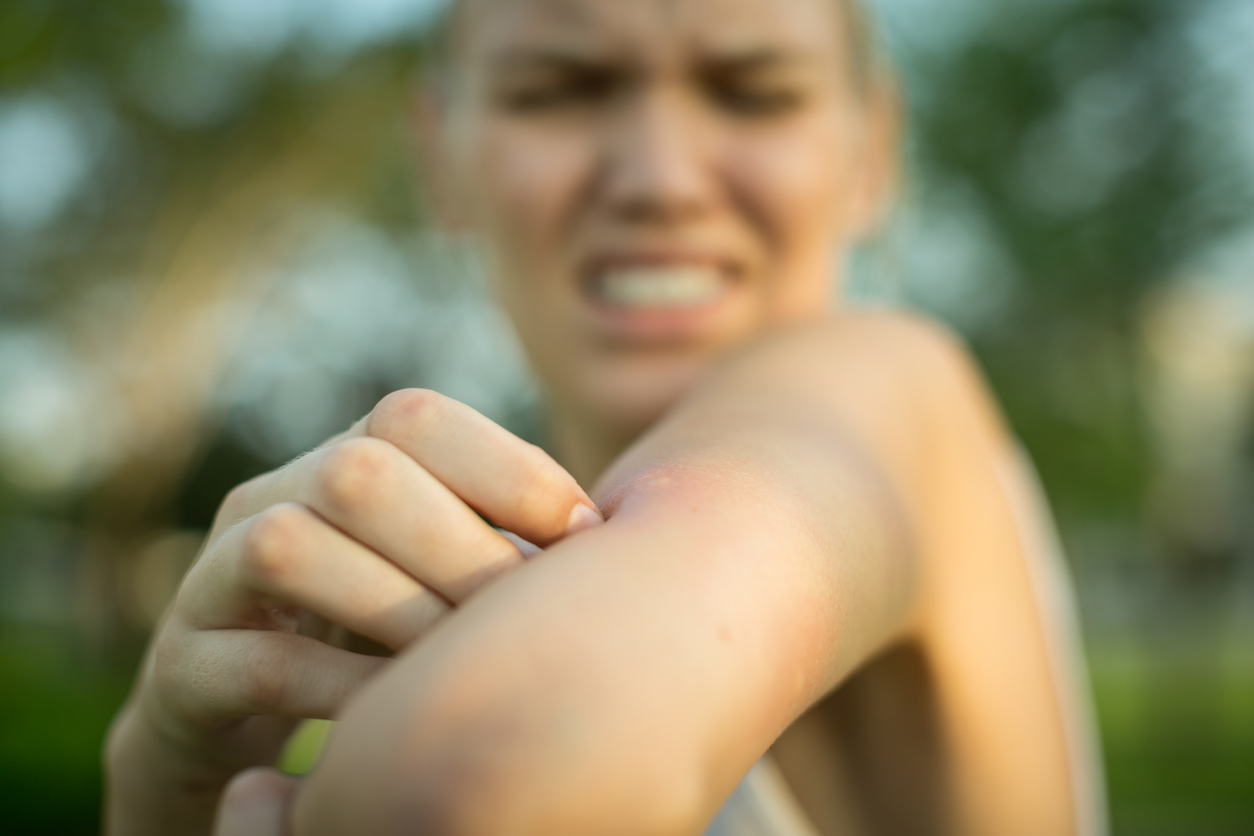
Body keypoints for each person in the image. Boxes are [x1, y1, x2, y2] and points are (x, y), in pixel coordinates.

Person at [104, 0, 1108, 833]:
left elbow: (475, 775)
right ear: (442, 158)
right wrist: (167, 784)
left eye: (754, 91)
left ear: (870, 152)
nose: (661, 178)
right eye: (559, 90)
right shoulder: (443, 563)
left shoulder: (896, 388)